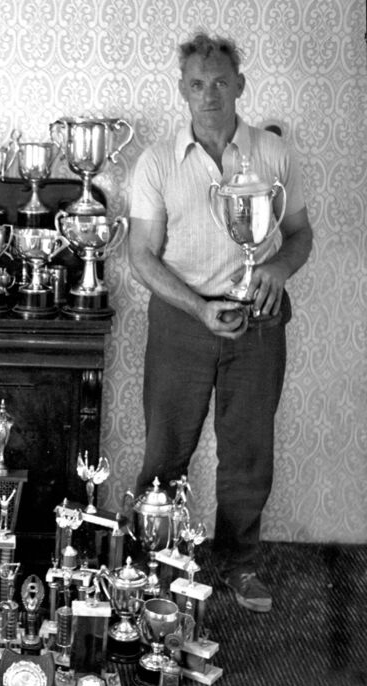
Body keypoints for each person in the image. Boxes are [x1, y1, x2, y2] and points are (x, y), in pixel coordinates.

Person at [128, 32, 313, 613]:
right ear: (183, 90)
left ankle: (240, 563)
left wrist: (279, 270)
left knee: (249, 449)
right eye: (197, 84)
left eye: (220, 82)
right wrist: (200, 307)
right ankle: (152, 564)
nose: (209, 94)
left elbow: (301, 234)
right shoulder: (157, 162)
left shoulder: (274, 154)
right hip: (184, 319)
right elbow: (141, 255)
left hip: (260, 318)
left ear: (240, 84)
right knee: (166, 449)